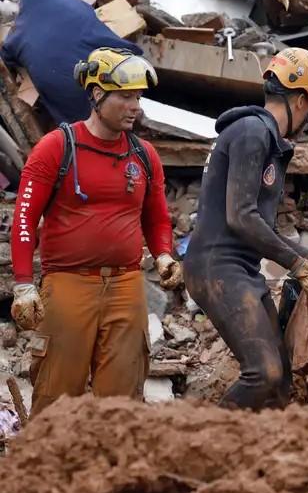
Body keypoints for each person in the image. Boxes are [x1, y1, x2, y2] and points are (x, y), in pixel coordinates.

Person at [11, 47, 182, 415]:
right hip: (69, 284)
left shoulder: (144, 155)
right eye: (125, 96)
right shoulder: (55, 149)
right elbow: (24, 218)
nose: (135, 106)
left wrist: (164, 254)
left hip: (126, 287)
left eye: (138, 96)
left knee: (121, 401)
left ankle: (111, 472)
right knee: (57, 395)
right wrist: (24, 285)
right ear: (97, 94)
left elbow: (156, 217)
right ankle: (48, 469)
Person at [184, 48, 308, 411]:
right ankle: (200, 440)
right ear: (301, 100)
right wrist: (299, 265)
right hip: (217, 267)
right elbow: (242, 217)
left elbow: (257, 226)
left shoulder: (262, 137)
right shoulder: (253, 132)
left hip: (239, 268)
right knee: (264, 373)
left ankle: (263, 455)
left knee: (281, 380)